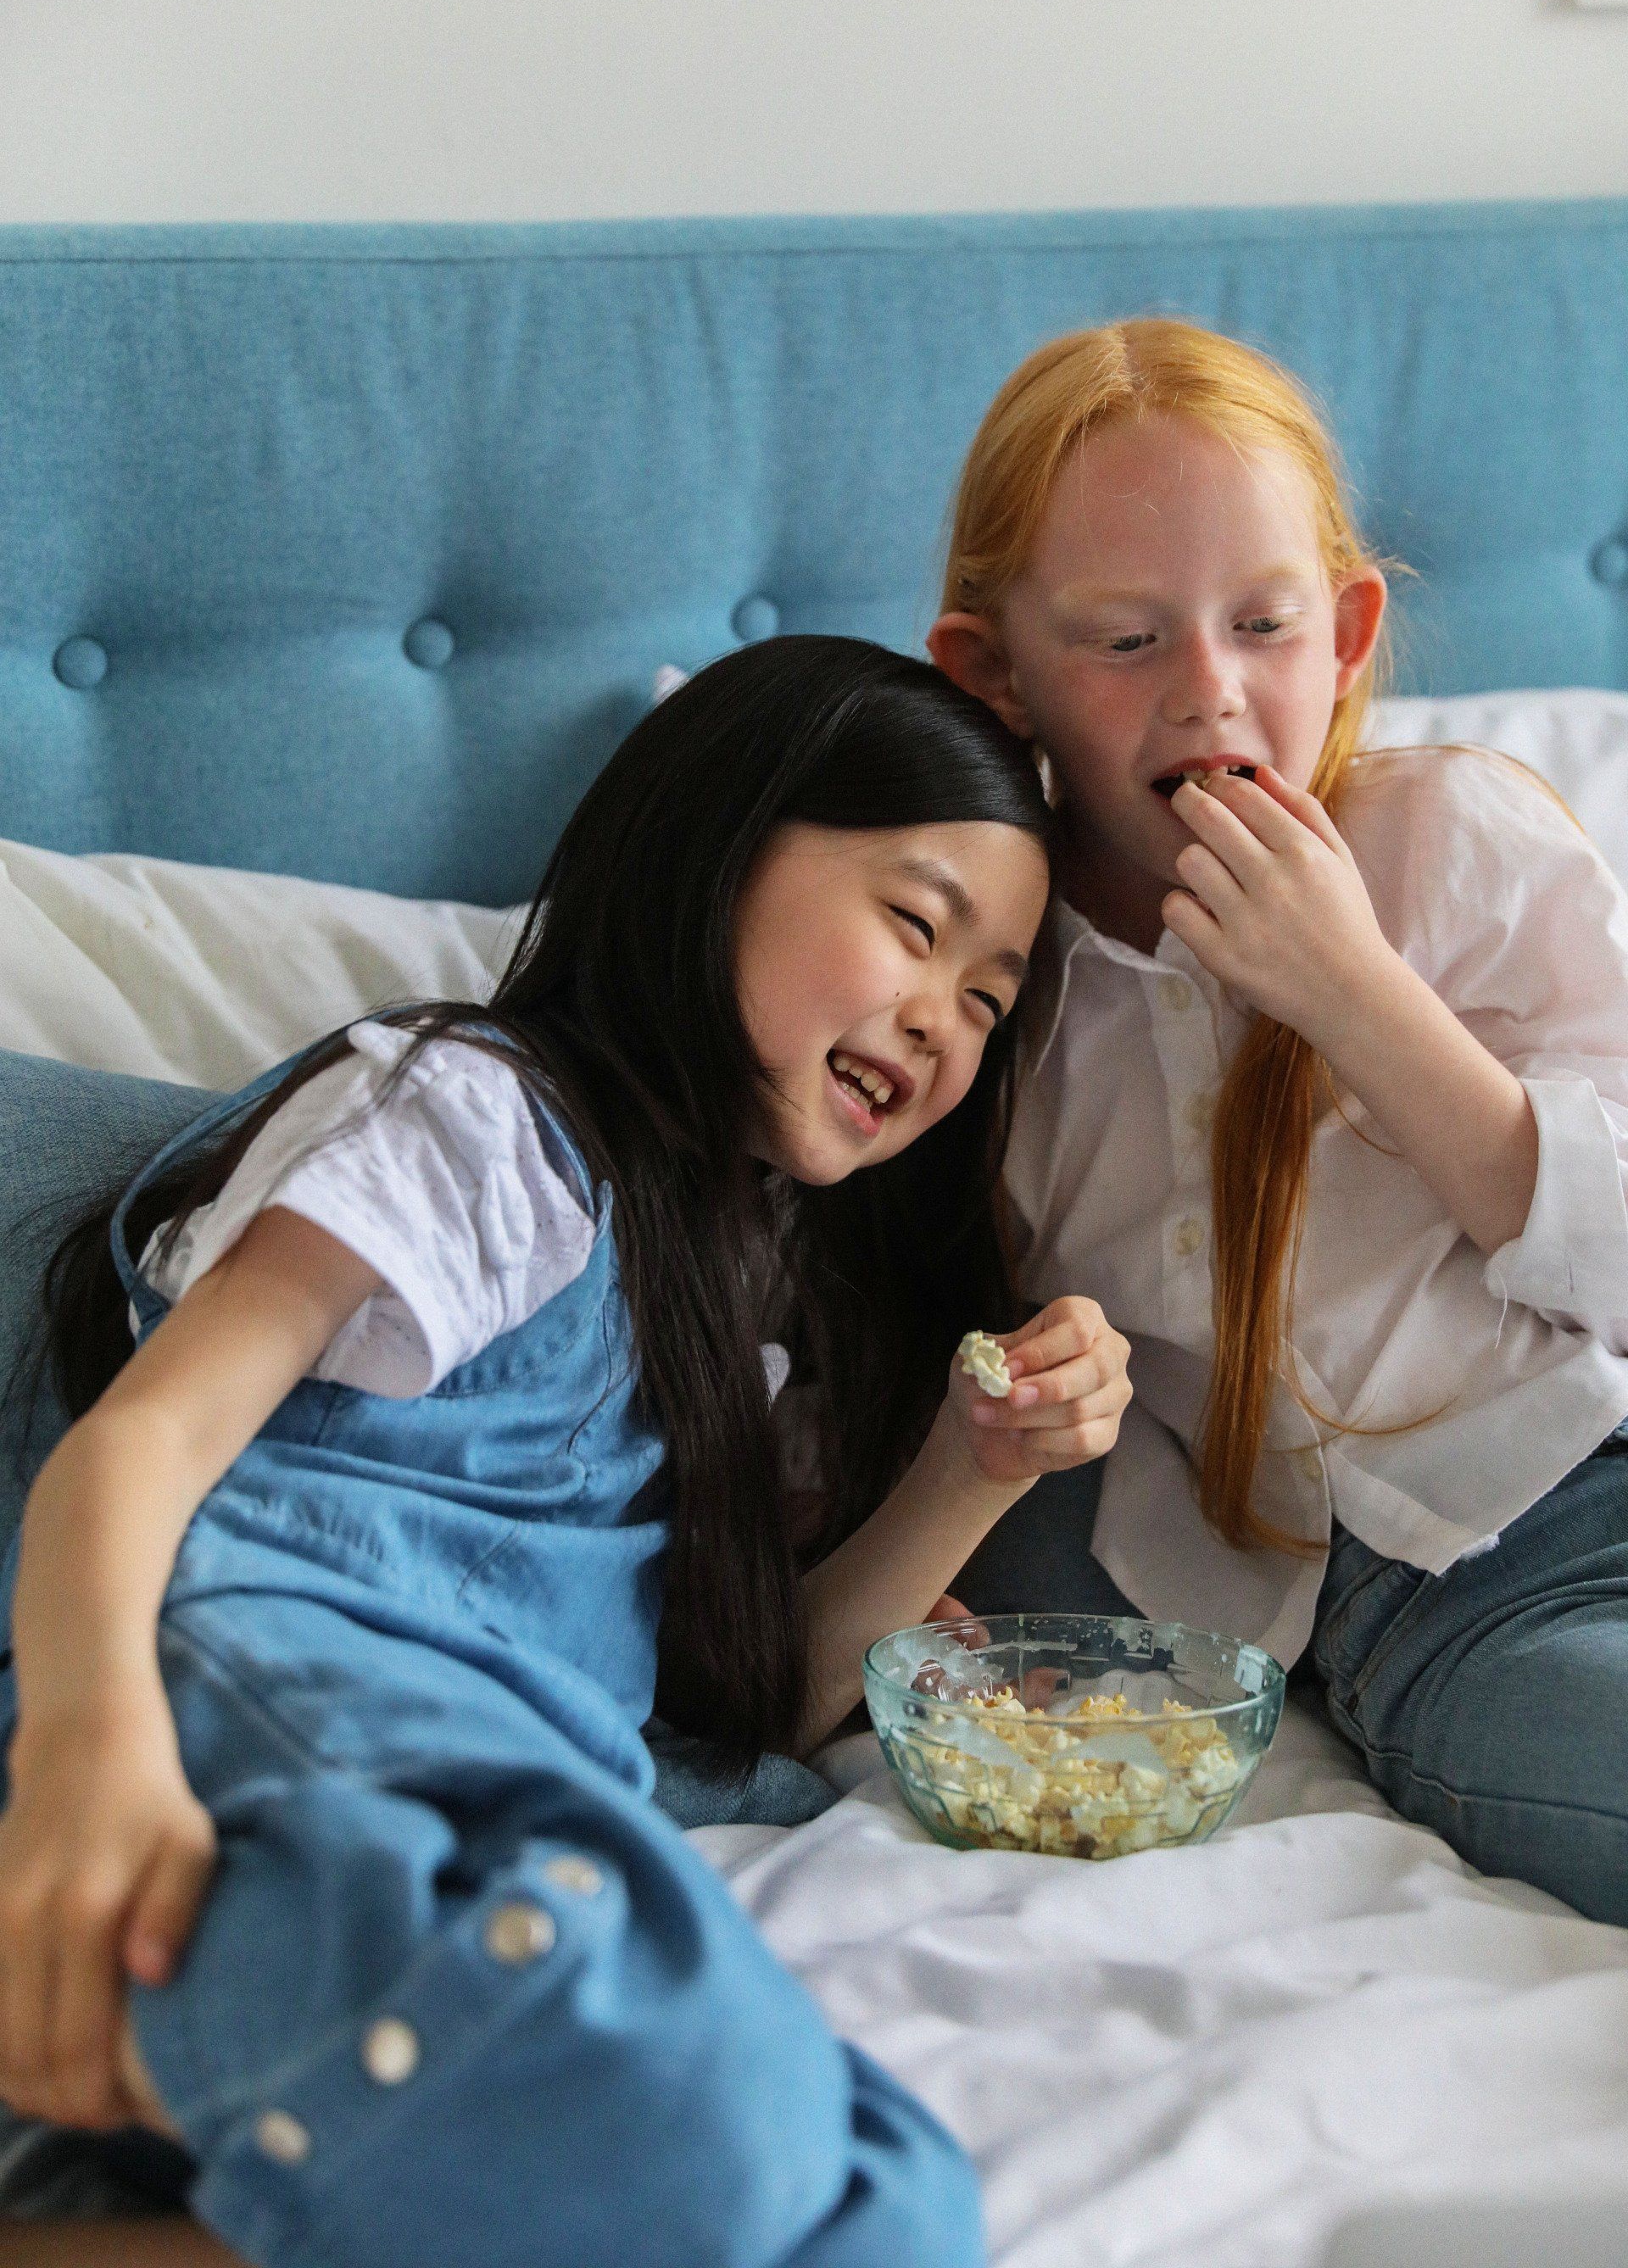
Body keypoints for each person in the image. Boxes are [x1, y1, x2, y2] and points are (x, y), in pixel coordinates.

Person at [0, 633, 1133, 2268]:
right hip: (267, 1748)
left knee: (905, 2207)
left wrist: (983, 1462)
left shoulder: (737, 1327)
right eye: (913, 923)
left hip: (508, 1815)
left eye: (985, 1001)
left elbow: (771, 1694)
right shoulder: (478, 1120)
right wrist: (87, 1763)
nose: (943, 1028)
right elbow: (139, 1445)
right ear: (721, 848)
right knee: (709, 2133)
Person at [928, 319, 1628, 1925]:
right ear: (995, 672)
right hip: (1449, 1602)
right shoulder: (987, 986)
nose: (1212, 692)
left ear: (1348, 630)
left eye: (1264, 623)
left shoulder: (1453, 845)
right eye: (1124, 639)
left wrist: (1358, 997)